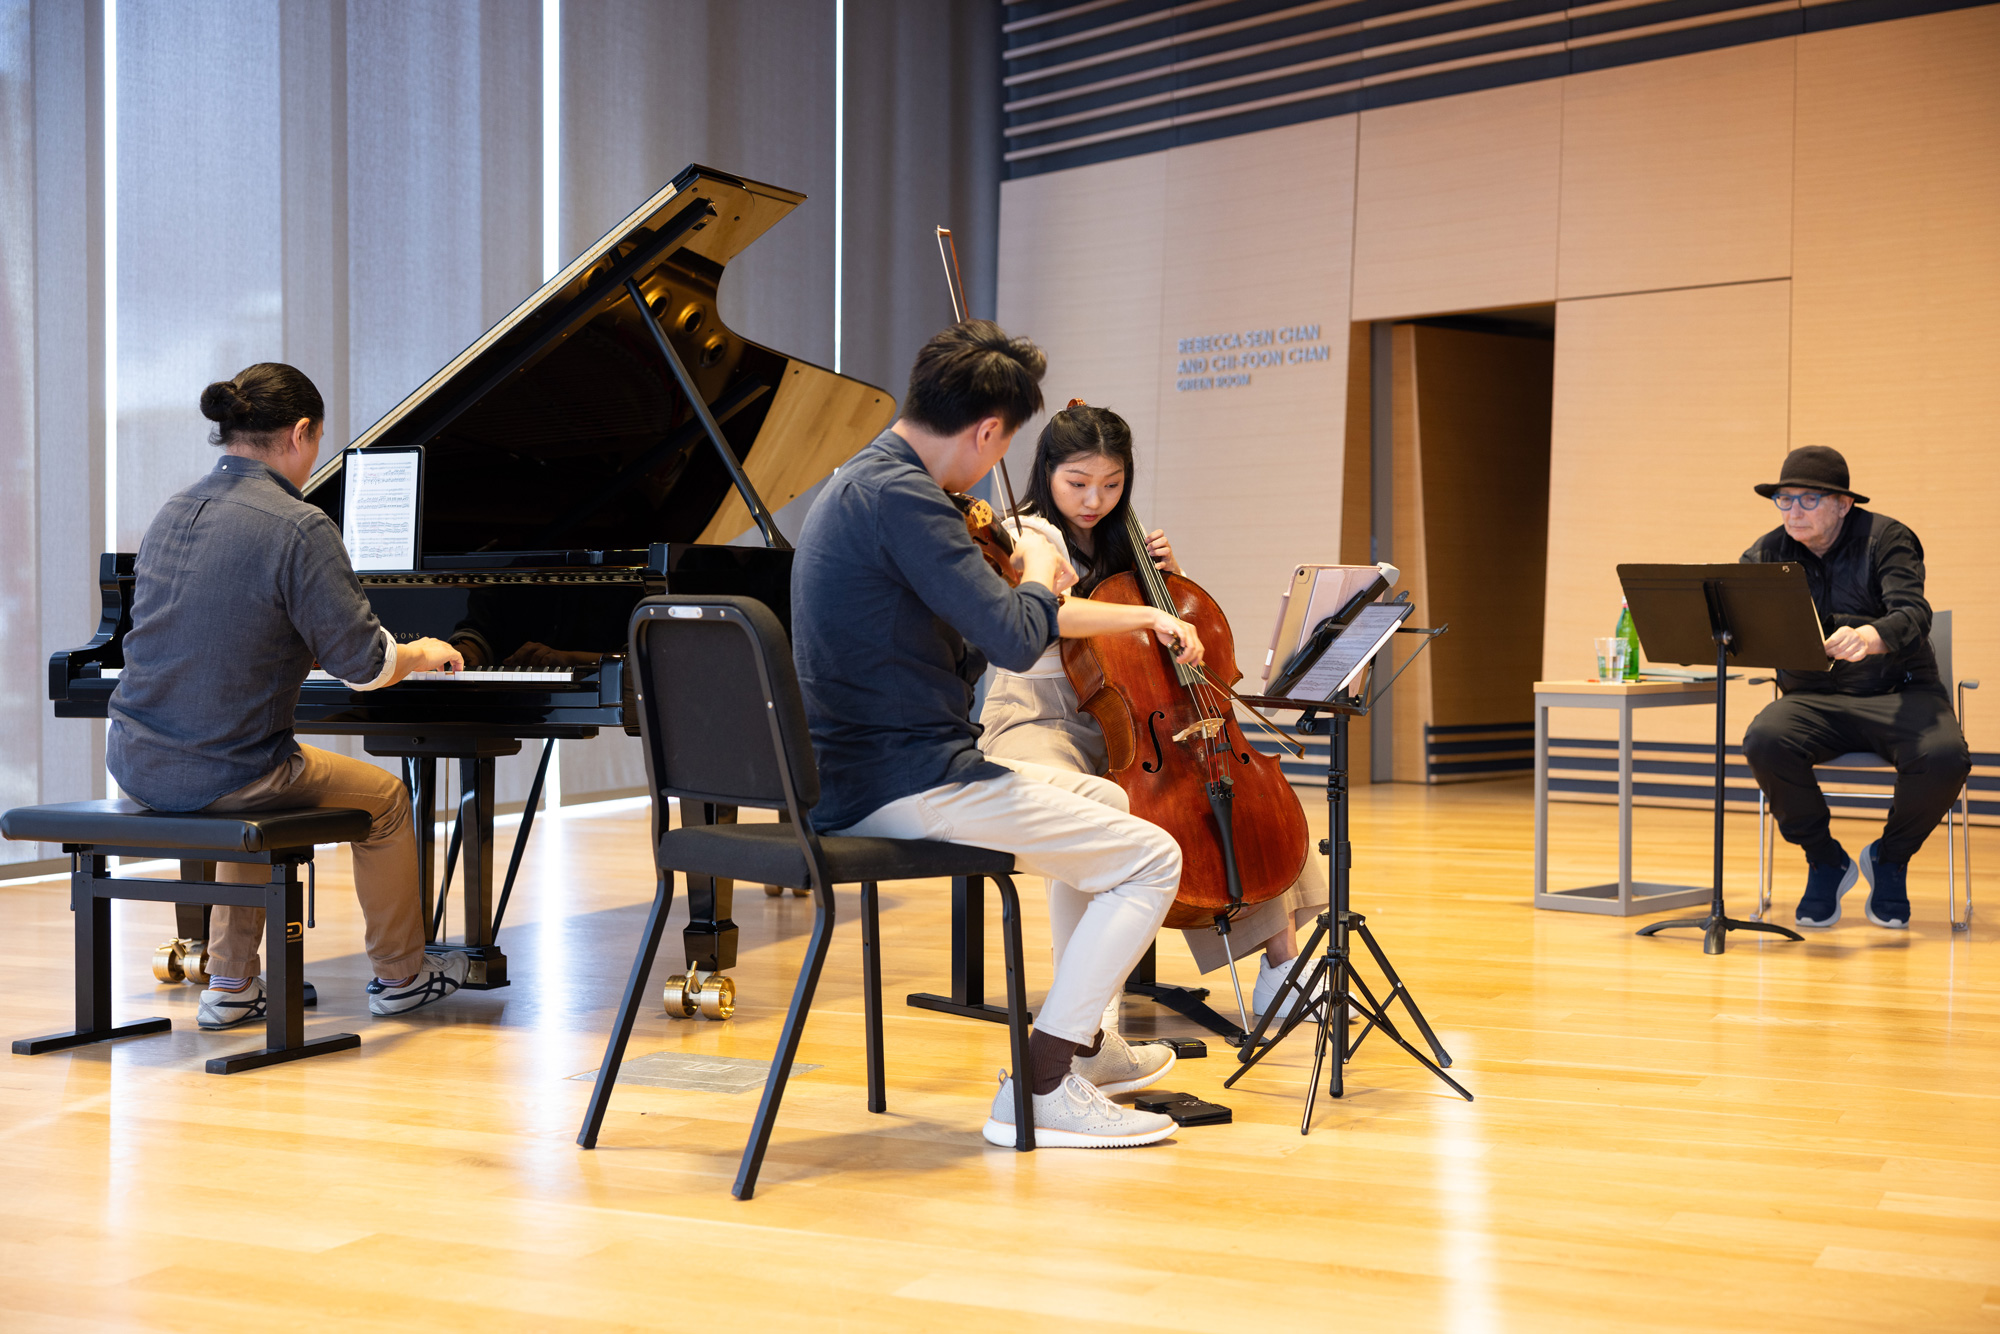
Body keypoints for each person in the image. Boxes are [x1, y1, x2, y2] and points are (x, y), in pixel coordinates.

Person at [792, 322, 1212, 1149]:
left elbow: (1021, 618)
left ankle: (1083, 1038)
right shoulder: (906, 499)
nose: (991, 469)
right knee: (1153, 856)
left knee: (1105, 803)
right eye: (1002, 447)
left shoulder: (863, 483)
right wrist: (1030, 572)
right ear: (989, 430)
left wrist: (1115, 607)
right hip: (902, 781)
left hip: (865, 769)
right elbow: (1018, 637)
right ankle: (1044, 1081)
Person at [107, 363, 471, 1029]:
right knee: (386, 800)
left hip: (136, 759)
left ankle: (230, 987)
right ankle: (402, 978)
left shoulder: (174, 510)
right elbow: (364, 665)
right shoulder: (298, 525)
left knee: (247, 777)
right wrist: (419, 652)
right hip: (232, 769)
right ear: (302, 432)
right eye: (319, 441)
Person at [977, 402, 1328, 1023]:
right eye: (1078, 484)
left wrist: (1169, 580)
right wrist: (1146, 611)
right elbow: (1048, 620)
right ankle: (1088, 1008)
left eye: (1112, 485)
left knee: (1234, 796)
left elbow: (1179, 643)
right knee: (1085, 814)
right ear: (1048, 472)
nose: (1094, 500)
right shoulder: (1028, 534)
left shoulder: (1123, 542)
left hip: (1128, 720)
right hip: (1038, 717)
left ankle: (1282, 968)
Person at [1739, 446, 1971, 929]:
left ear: (1843, 503)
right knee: (1765, 739)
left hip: (1899, 692)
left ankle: (1889, 859)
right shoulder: (1766, 553)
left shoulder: (1886, 539)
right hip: (1812, 698)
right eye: (1784, 500)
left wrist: (1872, 636)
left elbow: (1913, 611)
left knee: (1946, 756)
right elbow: (1741, 624)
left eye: (1807, 500)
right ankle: (1826, 860)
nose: (1793, 512)